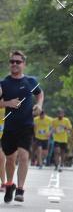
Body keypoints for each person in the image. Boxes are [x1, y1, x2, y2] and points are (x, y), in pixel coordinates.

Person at [0, 50, 44, 203]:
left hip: (26, 125)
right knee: (10, 159)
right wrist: (7, 103)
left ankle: (20, 189)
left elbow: (40, 93)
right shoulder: (3, 83)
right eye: (12, 61)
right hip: (10, 127)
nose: (14, 64)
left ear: (24, 64)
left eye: (18, 62)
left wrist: (39, 105)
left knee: (24, 157)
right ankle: (9, 184)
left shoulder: (31, 81)